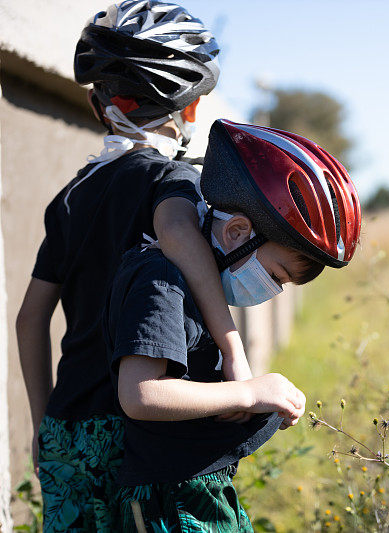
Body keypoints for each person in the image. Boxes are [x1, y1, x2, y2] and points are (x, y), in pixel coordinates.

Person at [15, 2, 249, 530]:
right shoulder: (175, 181)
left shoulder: (70, 196)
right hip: (137, 430)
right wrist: (233, 350)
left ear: (101, 108)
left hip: (68, 430)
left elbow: (31, 318)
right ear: (190, 112)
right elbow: (176, 234)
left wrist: (42, 423)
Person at [105, 119, 361, 530]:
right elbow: (140, 394)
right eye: (277, 275)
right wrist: (246, 393)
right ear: (238, 231)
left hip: (193, 490)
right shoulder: (161, 281)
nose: (273, 291)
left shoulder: (190, 282)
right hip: (169, 504)